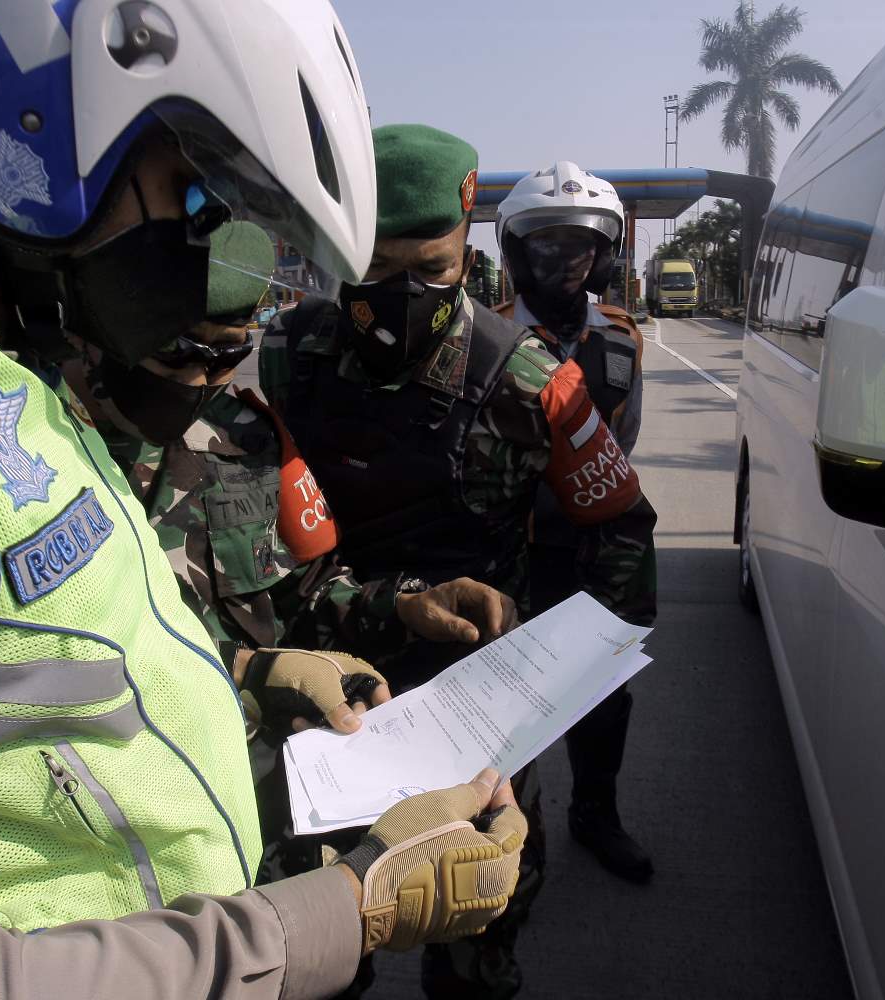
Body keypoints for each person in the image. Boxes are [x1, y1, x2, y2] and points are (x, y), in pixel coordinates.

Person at [0, 3, 525, 997]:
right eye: (203, 203)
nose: (219, 279)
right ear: (39, 119)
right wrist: (353, 905)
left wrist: (250, 671)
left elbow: (16, 675)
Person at [260, 124, 657, 1000]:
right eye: (376, 268)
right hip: (333, 698)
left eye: (432, 270)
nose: (402, 296)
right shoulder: (293, 358)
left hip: (476, 712)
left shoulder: (534, 380)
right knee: (319, 952)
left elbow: (621, 527)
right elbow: (264, 552)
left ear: (469, 247)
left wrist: (572, 673)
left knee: (480, 930)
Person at [65, 218, 519, 891]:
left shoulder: (245, 439)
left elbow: (308, 594)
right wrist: (249, 669)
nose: (200, 380)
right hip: (126, 847)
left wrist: (403, 604)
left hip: (281, 830)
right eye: (179, 351)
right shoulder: (33, 450)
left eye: (226, 355)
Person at [494, 162, 654, 884]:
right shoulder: (483, 339)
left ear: (605, 257)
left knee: (602, 699)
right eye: (546, 244)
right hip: (510, 554)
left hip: (591, 556)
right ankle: (510, 837)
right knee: (507, 708)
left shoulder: (621, 344)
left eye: (581, 244)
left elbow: (623, 445)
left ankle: (596, 812)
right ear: (516, 253)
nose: (564, 260)